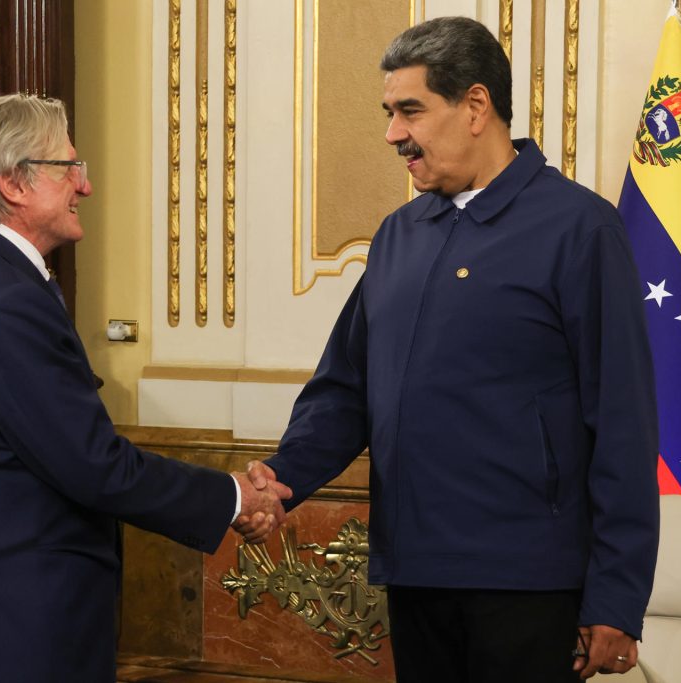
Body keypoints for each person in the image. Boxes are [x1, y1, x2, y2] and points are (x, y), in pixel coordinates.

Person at [240, 16, 659, 682]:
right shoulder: (397, 235)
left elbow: (624, 423)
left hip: (529, 581)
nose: (392, 133)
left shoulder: (580, 228)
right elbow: (346, 389)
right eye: (389, 113)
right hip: (415, 570)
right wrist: (282, 478)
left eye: (410, 110)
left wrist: (617, 597)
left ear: (475, 106)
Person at [0, 94, 290, 683]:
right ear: (13, 182)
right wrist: (234, 497)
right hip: (6, 633)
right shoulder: (6, 299)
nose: (84, 186)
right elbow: (94, 466)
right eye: (69, 167)